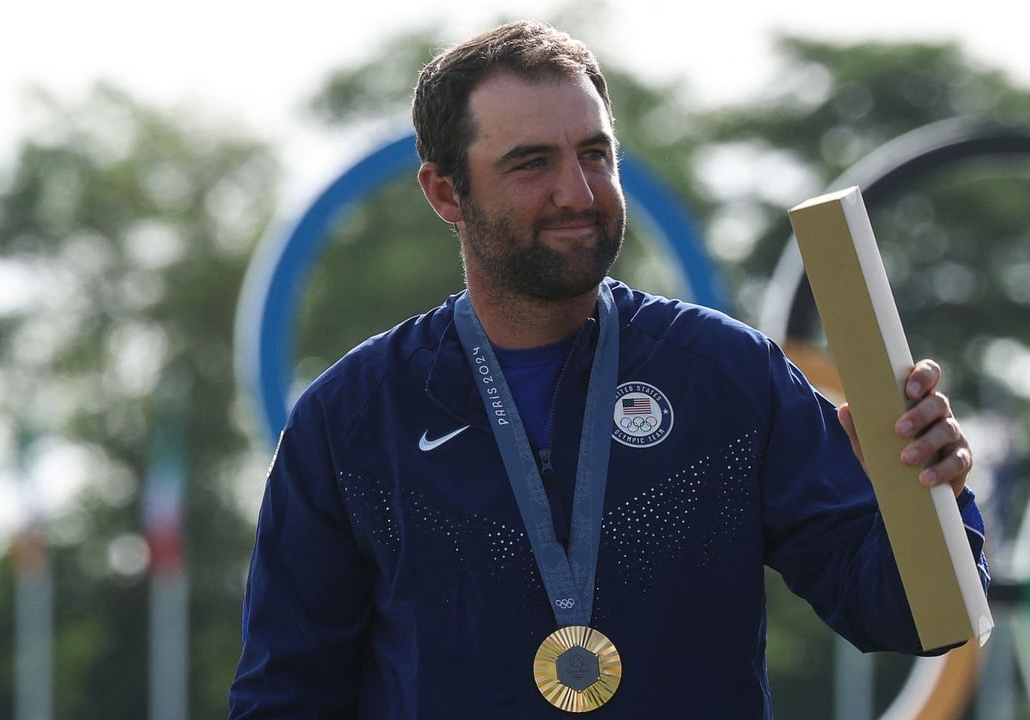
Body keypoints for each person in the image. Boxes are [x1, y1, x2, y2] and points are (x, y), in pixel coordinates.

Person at [228, 19, 988, 719]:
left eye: (595, 154)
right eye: (531, 165)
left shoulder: (726, 374)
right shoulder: (353, 417)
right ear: (445, 191)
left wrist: (932, 499)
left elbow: (908, 614)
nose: (578, 192)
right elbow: (286, 694)